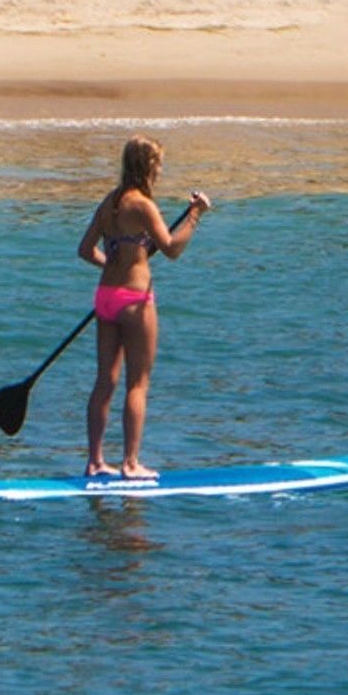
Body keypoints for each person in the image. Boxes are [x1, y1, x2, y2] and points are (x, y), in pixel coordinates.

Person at [80, 136, 210, 481]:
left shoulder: (109, 202)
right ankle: (130, 463)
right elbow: (171, 249)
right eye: (159, 164)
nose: (161, 170)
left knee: (104, 381)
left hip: (105, 297)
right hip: (135, 300)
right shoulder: (142, 206)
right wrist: (195, 215)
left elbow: (85, 249)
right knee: (138, 383)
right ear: (149, 167)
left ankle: (94, 461)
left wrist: (114, 262)